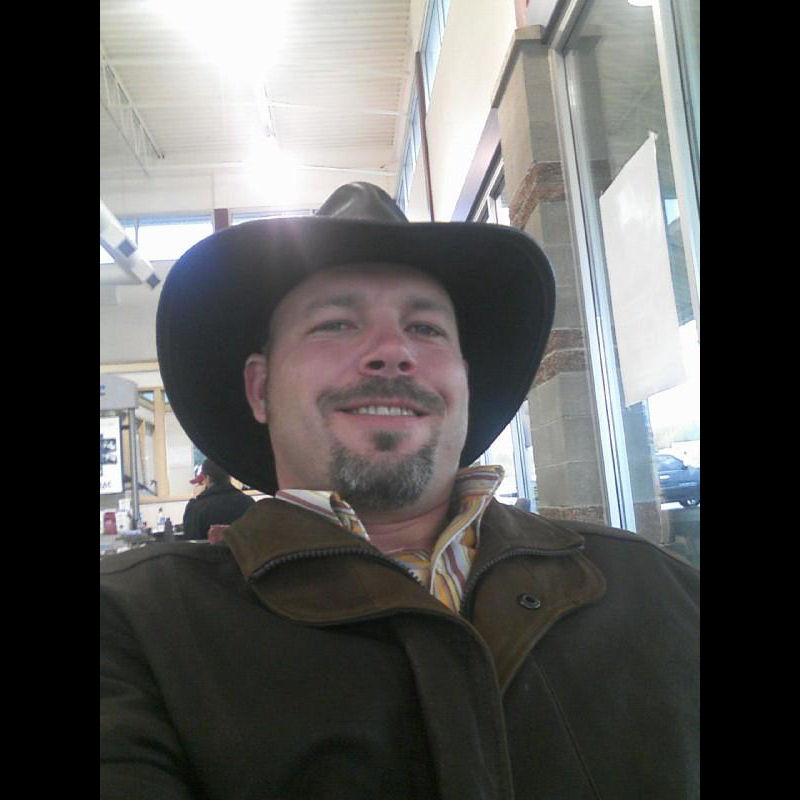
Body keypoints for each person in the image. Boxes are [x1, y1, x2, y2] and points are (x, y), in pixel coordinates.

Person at [100, 182, 699, 799]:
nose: (392, 351)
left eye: (426, 328)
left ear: (464, 382)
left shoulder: (656, 587)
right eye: (335, 324)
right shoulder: (136, 628)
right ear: (260, 389)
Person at [181, 458, 255, 540]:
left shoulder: (196, 507)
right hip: (240, 548)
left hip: (207, 548)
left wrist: (197, 497)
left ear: (207, 477)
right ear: (229, 476)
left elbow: (190, 539)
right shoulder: (248, 503)